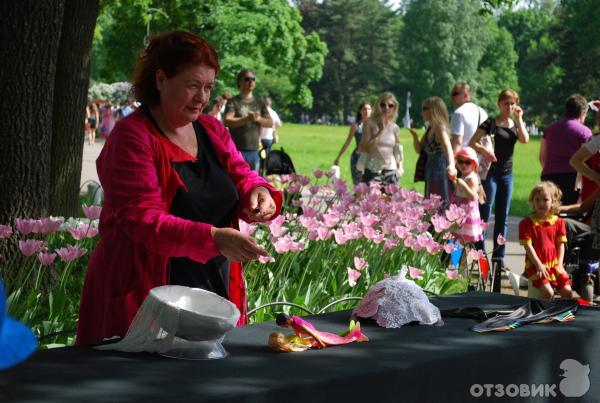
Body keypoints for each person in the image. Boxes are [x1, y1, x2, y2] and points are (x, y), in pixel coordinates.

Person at [76, 31, 283, 346]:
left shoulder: (211, 129)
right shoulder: (132, 137)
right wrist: (213, 238)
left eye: (209, 87)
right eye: (192, 85)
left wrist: (259, 190)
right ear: (160, 79)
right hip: (148, 299)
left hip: (212, 291)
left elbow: (241, 173)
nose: (202, 97)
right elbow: (142, 219)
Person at [469, 88, 529, 267]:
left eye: (512, 103)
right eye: (506, 103)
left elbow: (524, 139)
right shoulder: (491, 123)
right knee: (485, 213)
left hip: (507, 174)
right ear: (499, 104)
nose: (509, 107)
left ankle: (498, 258)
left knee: (503, 216)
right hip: (491, 173)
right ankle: (480, 255)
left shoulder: (514, 123)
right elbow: (472, 142)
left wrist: (519, 119)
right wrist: (484, 150)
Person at [518, 182, 574, 300]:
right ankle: (543, 315)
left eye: (545, 199)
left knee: (568, 292)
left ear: (553, 202)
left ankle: (562, 315)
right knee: (548, 292)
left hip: (554, 265)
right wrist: (539, 265)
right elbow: (528, 247)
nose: (541, 203)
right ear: (532, 202)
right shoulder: (526, 224)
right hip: (535, 266)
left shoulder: (558, 222)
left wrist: (560, 265)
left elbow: (560, 245)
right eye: (537, 199)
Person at [540, 94, 592, 204]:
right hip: (572, 177)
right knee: (569, 213)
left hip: (549, 174)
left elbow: (542, 156)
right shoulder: (585, 132)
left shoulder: (550, 129)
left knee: (550, 212)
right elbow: (587, 159)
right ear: (583, 113)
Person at [409, 96, 456, 204]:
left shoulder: (439, 127)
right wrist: (415, 137)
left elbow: (447, 146)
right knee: (431, 202)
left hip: (440, 169)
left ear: (434, 110)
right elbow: (419, 150)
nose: (422, 112)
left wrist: (451, 165)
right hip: (430, 169)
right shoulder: (430, 127)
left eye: (425, 108)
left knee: (441, 201)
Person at [224, 68, 273, 172]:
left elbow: (270, 123)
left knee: (252, 184)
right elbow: (227, 121)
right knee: (236, 184)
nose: (251, 81)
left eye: (253, 79)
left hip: (254, 151)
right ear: (239, 82)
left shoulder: (260, 103)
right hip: (236, 151)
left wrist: (258, 118)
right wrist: (246, 119)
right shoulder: (233, 101)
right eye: (247, 79)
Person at [357, 92, 402, 185]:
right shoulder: (369, 123)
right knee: (370, 199)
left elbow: (397, 150)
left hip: (391, 171)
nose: (386, 108)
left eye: (390, 105)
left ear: (394, 108)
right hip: (373, 170)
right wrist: (380, 131)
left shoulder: (395, 127)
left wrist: (400, 168)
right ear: (378, 106)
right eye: (383, 105)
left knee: (391, 200)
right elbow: (367, 148)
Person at [449, 147, 484, 246]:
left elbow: (473, 196)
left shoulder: (472, 178)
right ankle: (457, 260)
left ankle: (464, 261)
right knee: (458, 239)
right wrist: (454, 180)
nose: (463, 165)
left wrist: (463, 185)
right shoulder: (464, 176)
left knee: (466, 241)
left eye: (467, 162)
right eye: (460, 161)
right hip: (460, 210)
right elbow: (459, 190)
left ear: (474, 164)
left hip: (468, 213)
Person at [333, 102, 372, 185]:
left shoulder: (374, 126)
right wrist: (338, 157)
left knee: (370, 184)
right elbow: (347, 142)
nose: (366, 111)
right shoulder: (356, 126)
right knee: (358, 184)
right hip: (357, 157)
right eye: (364, 109)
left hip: (370, 158)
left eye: (369, 109)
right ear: (360, 111)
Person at [449, 83, 488, 153]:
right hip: (479, 160)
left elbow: (457, 142)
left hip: (462, 160)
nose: (451, 97)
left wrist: (452, 163)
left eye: (455, 94)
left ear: (465, 95)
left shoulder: (458, 113)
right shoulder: (483, 112)